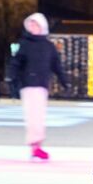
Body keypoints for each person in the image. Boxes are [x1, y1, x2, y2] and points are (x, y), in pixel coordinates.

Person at [8, 12, 67, 161]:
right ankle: (35, 146)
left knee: (39, 116)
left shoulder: (48, 46)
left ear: (42, 26)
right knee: (32, 116)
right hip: (28, 84)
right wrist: (11, 76)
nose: (33, 27)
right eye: (31, 24)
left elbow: (56, 65)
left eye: (36, 24)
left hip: (41, 85)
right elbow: (15, 62)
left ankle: (37, 145)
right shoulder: (24, 44)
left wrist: (64, 80)